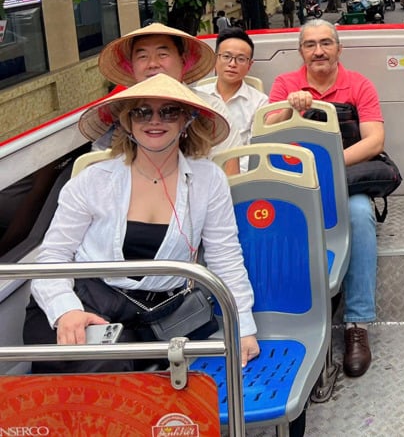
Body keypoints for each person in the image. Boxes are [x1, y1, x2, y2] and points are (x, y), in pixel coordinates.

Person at [22, 73, 260, 373]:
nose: (154, 120)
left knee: (131, 375)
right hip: (81, 303)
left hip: (155, 318)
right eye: (142, 111)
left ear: (186, 120)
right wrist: (66, 311)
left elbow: (225, 256)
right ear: (127, 122)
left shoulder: (208, 180)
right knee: (100, 372)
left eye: (169, 112)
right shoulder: (92, 182)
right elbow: (52, 257)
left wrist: (243, 327)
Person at [266, 19, 383, 378]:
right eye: (310, 44)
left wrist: (327, 167)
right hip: (293, 184)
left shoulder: (359, 85)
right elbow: (267, 133)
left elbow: (374, 141)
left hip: (343, 183)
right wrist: (291, 108)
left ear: (338, 49)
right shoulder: (284, 84)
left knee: (361, 214)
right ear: (301, 51)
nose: (318, 51)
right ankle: (286, 321)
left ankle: (356, 325)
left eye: (326, 43)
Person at [97, 23, 242, 176]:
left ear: (183, 59)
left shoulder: (211, 110)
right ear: (131, 65)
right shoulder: (117, 112)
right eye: (142, 56)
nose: (152, 64)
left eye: (162, 55)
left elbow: (229, 175)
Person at [194, 29, 268, 172]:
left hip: (239, 176)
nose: (232, 64)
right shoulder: (198, 96)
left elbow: (254, 150)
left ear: (249, 65)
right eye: (226, 56)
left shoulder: (259, 102)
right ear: (216, 59)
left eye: (240, 59)